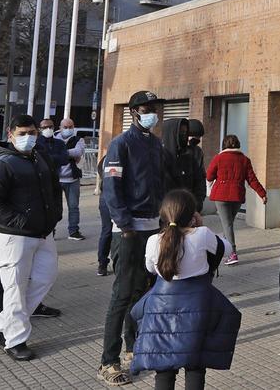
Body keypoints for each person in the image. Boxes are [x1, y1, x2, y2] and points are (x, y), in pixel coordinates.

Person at [129, 190, 241, 390]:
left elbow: (149, 268)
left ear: (164, 216)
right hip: (197, 308)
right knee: (195, 367)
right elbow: (228, 249)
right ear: (193, 215)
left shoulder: (154, 241)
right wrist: (201, 225)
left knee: (163, 370)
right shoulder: (202, 235)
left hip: (161, 308)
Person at [98, 90, 172, 387]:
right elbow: (112, 187)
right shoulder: (121, 144)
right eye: (146, 108)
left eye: (155, 108)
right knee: (122, 294)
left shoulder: (155, 144)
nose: (152, 113)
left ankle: (133, 348)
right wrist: (125, 223)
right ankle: (108, 360)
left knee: (143, 291)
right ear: (133, 113)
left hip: (152, 227)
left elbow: (160, 184)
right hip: (128, 230)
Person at [0, 114, 63, 361]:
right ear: (11, 134)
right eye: (23, 133)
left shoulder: (39, 158)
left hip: (43, 233)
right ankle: (15, 341)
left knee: (45, 277)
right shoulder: (4, 163)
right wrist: (22, 222)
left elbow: (54, 189)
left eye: (32, 132)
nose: (28, 137)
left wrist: (54, 217)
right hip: (14, 237)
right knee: (14, 288)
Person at [206, 135, 266, 266]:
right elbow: (252, 180)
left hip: (221, 196)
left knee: (227, 224)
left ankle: (232, 253)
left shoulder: (218, 158)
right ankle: (226, 249)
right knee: (229, 224)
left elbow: (209, 175)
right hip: (237, 196)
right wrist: (262, 194)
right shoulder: (245, 160)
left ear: (224, 145)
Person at [161, 118, 206, 213]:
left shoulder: (194, 154)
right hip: (168, 211)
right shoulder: (160, 156)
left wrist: (197, 203)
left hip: (189, 209)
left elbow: (200, 179)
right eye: (182, 133)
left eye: (185, 133)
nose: (184, 136)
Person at [58, 118, 87, 241]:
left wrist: (62, 153)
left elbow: (78, 152)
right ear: (60, 127)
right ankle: (50, 231)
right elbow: (53, 153)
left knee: (74, 207)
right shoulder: (55, 139)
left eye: (70, 126)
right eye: (65, 127)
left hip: (73, 179)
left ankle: (73, 231)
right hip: (56, 179)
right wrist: (70, 154)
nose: (68, 129)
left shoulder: (78, 139)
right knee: (54, 207)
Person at [95, 154, 113, 277]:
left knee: (107, 231)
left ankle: (103, 263)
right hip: (109, 199)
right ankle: (102, 263)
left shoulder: (107, 157)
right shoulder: (112, 157)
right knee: (108, 231)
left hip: (107, 198)